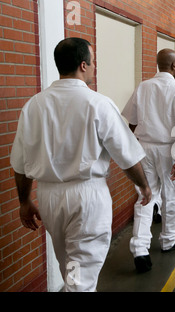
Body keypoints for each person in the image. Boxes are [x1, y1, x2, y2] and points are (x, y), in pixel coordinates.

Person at [10, 37, 151, 291]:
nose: (95, 67)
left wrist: (24, 201)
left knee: (71, 268)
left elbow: (20, 165)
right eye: (93, 62)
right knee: (80, 276)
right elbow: (127, 156)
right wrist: (144, 186)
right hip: (86, 199)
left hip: (49, 198)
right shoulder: (98, 104)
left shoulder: (33, 107)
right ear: (83, 65)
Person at [122, 49, 175, 273]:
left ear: (158, 64)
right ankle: (168, 240)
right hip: (169, 148)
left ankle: (140, 248)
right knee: (171, 195)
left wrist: (134, 145)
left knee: (146, 194)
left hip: (144, 147)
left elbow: (131, 123)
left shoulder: (143, 86)